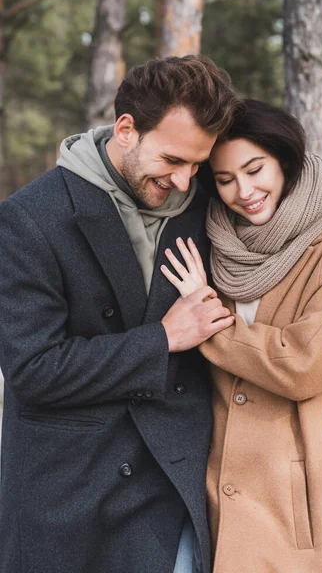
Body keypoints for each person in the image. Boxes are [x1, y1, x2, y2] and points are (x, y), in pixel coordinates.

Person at [0, 55, 241, 573]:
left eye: (198, 165)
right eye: (174, 160)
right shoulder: (31, 218)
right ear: (127, 129)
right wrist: (162, 339)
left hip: (170, 488)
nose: (184, 181)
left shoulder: (203, 209)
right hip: (68, 497)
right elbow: (33, 369)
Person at [161, 99, 322, 573]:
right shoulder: (214, 246)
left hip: (302, 503)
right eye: (224, 180)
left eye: (255, 169)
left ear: (284, 159)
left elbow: (303, 365)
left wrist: (209, 324)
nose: (244, 191)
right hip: (222, 498)